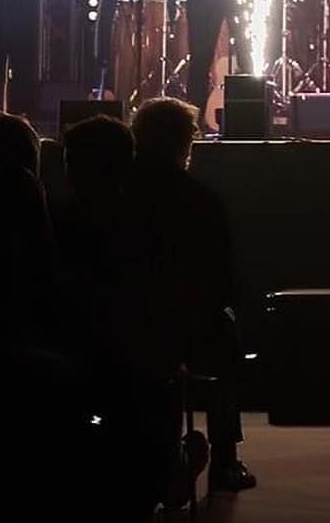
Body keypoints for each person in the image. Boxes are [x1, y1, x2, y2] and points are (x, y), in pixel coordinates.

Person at [124, 97, 255, 493]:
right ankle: (225, 461)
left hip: (129, 323)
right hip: (189, 326)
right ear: (185, 144)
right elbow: (224, 279)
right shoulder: (201, 199)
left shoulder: (122, 196)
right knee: (225, 340)